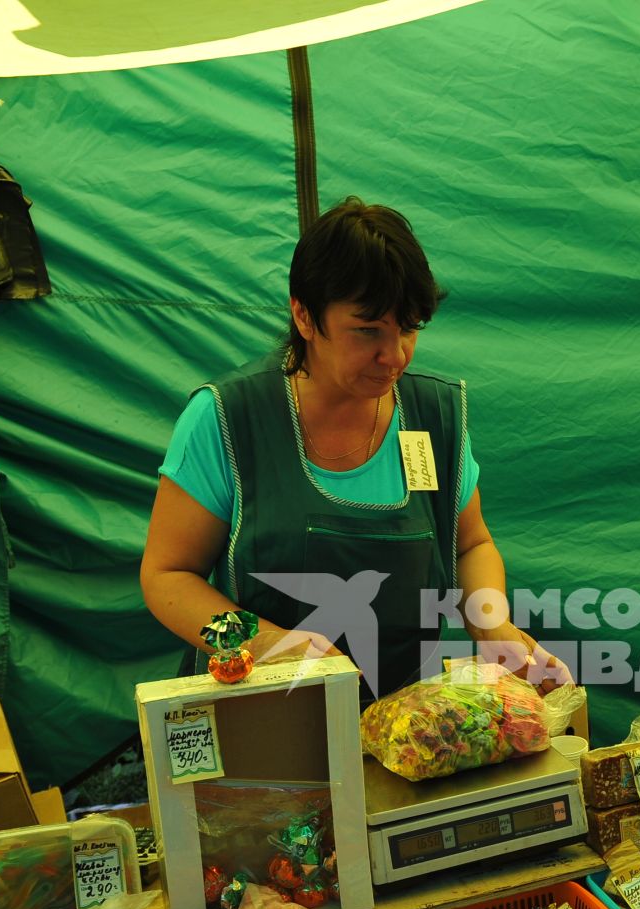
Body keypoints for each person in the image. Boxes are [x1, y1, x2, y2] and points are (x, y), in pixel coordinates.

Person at [141, 197, 569, 699]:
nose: (394, 356)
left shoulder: (433, 419)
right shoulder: (227, 419)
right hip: (263, 719)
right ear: (304, 315)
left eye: (408, 329)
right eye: (368, 331)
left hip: (407, 728)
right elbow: (167, 577)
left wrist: (492, 626)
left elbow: (471, 544)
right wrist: (266, 644)